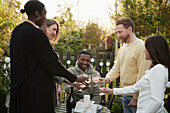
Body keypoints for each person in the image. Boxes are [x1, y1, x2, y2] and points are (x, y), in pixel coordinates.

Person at [9, 1, 87, 113]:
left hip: (19, 90)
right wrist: (74, 78)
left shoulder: (17, 31)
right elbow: (52, 64)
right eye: (44, 14)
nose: (45, 18)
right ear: (37, 14)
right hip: (36, 93)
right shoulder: (37, 34)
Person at [102, 35, 170, 113]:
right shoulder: (156, 69)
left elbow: (157, 101)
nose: (144, 50)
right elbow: (135, 87)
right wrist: (112, 91)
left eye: (146, 48)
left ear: (153, 49)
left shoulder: (158, 69)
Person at [99, 17, 151, 113]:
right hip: (125, 94)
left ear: (129, 29)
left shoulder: (142, 47)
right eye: (117, 32)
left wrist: (136, 97)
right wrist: (107, 79)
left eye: (120, 32)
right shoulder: (122, 49)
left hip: (138, 97)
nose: (118, 35)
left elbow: (143, 75)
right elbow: (117, 67)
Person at [41, 19, 63, 106]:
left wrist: (58, 85)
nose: (55, 33)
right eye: (53, 29)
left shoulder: (48, 46)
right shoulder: (41, 46)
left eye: (56, 31)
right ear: (45, 28)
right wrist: (73, 81)